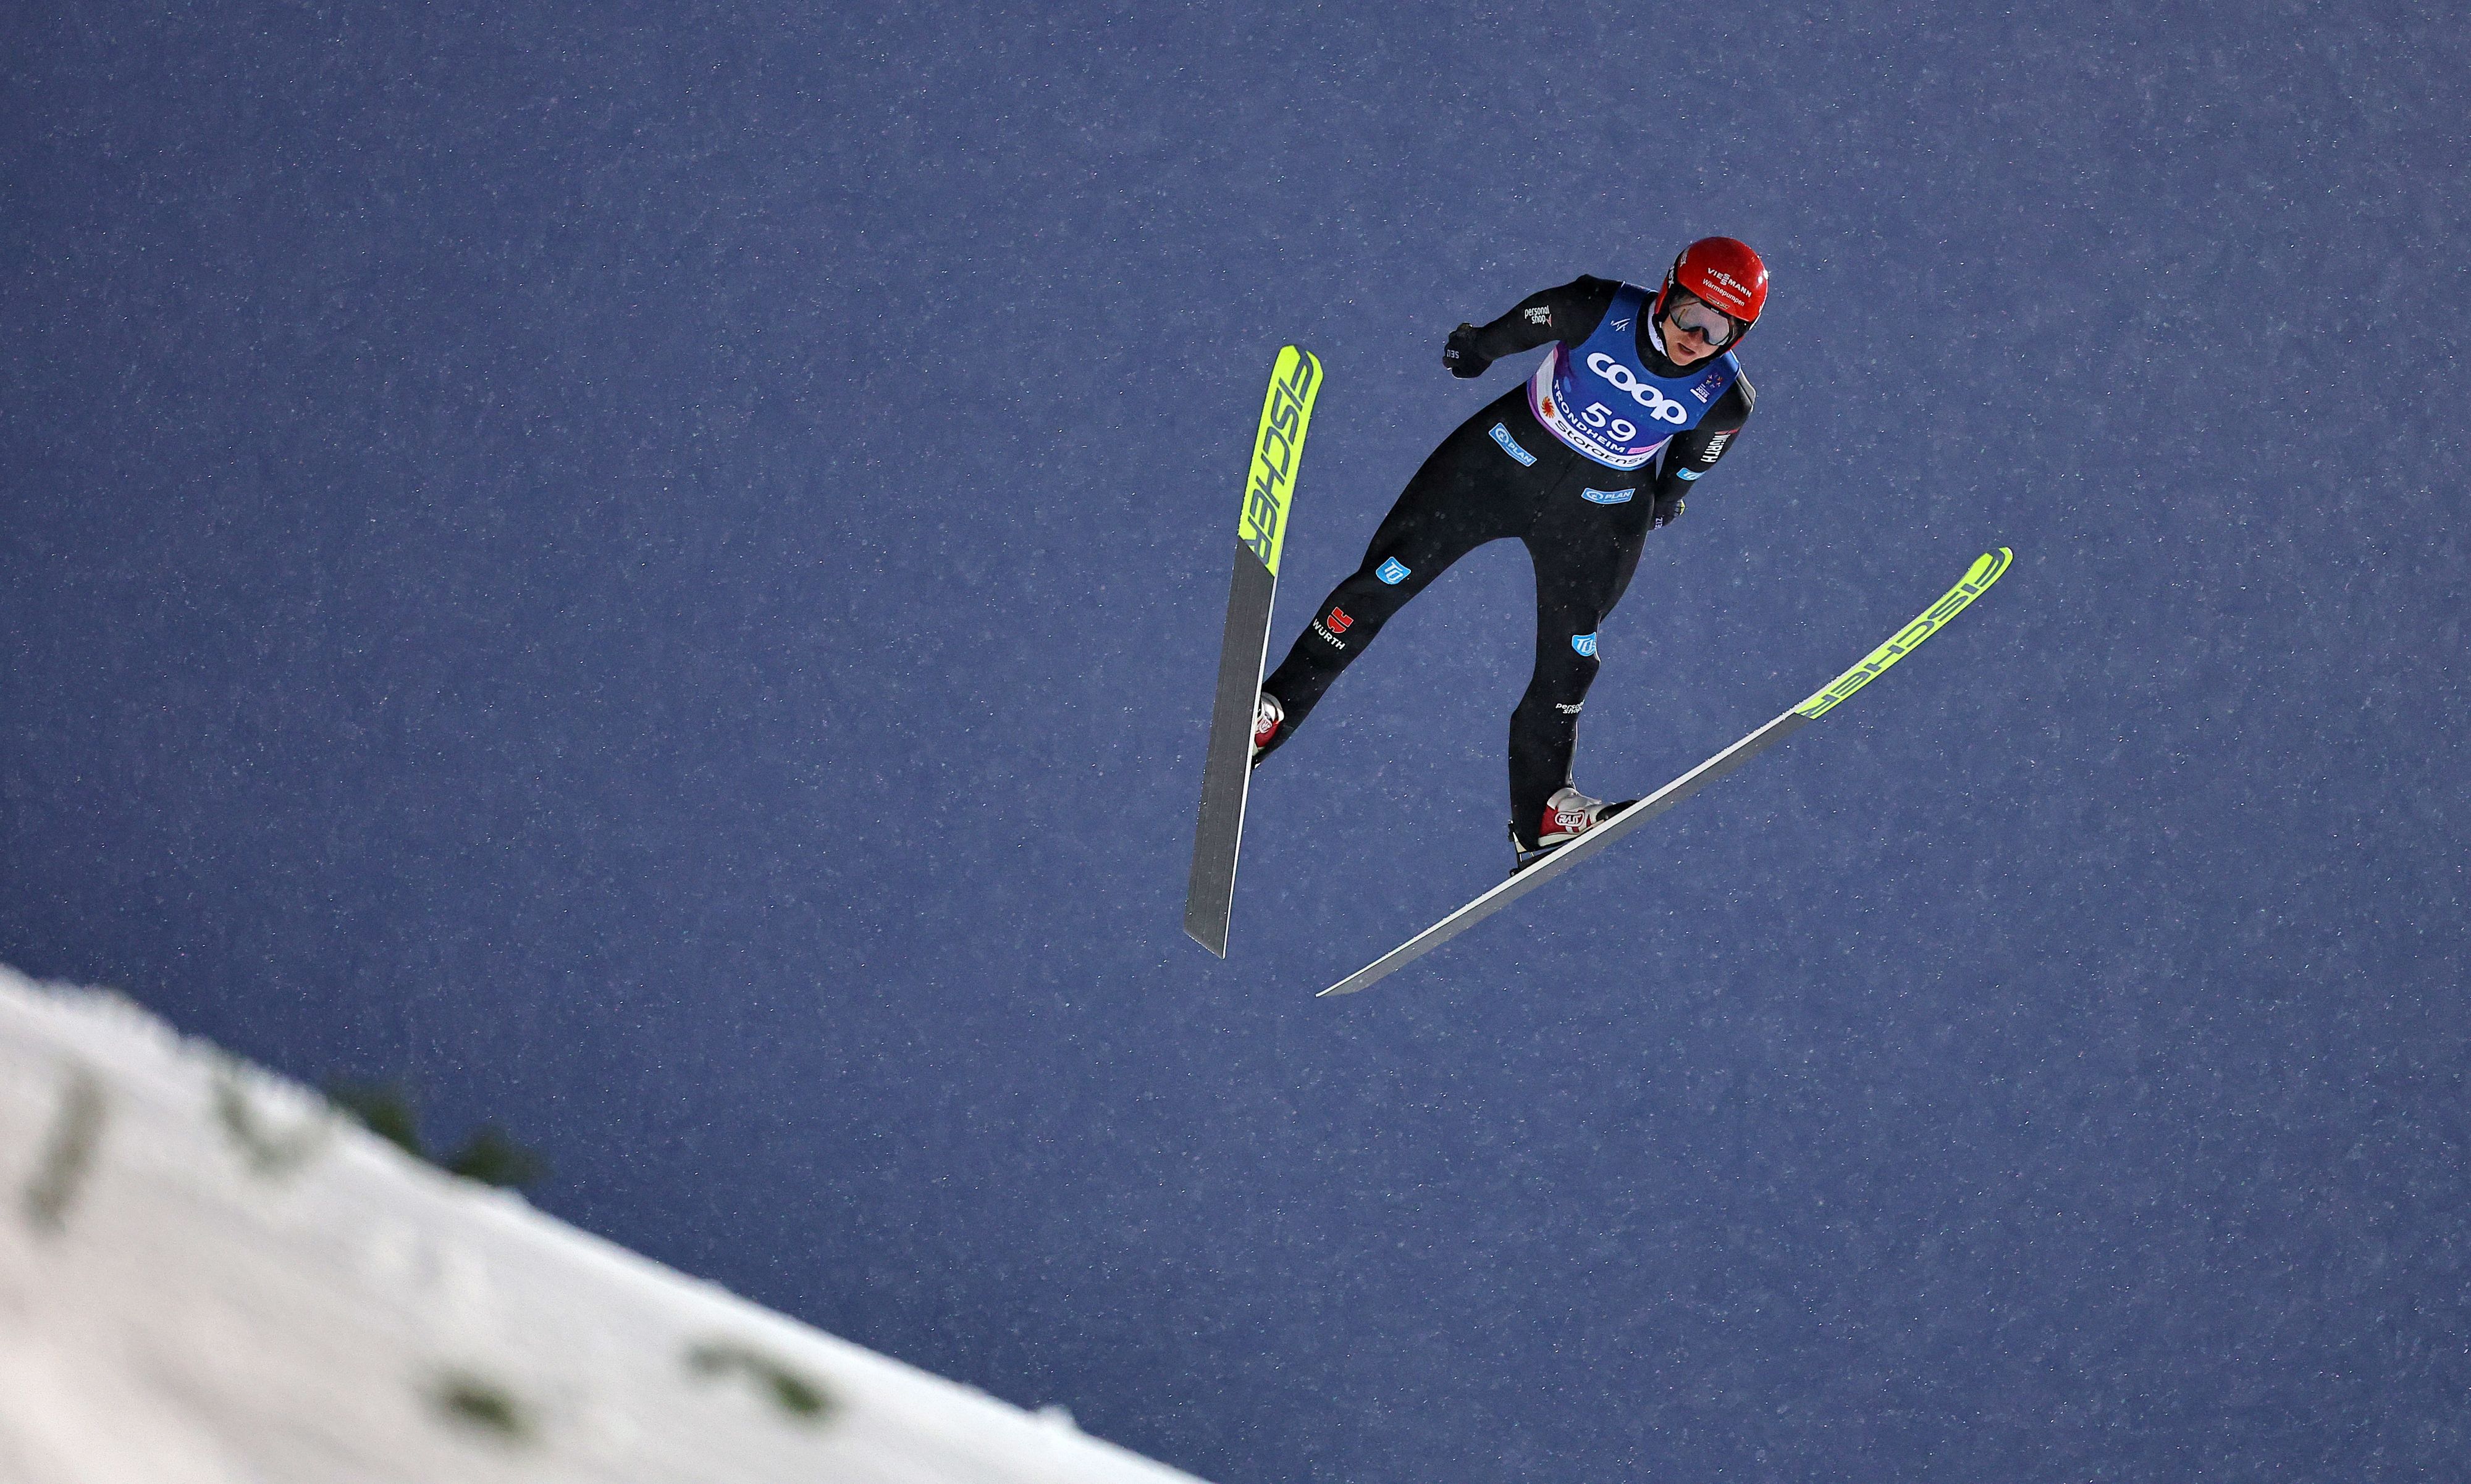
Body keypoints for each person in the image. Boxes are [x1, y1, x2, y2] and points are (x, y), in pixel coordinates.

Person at [1250, 237, 1767, 870]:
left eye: (1718, 329)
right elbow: (1525, 322)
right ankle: (1273, 710)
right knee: (1387, 576)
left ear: (1735, 338)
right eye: (1690, 312)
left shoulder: (1725, 396)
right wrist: (1478, 348)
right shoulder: (1598, 309)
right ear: (1667, 291)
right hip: (1502, 461)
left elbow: (1694, 461)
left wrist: (1669, 497)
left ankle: (1543, 813)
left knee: (1572, 658)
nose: (1696, 336)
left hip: (1598, 511)